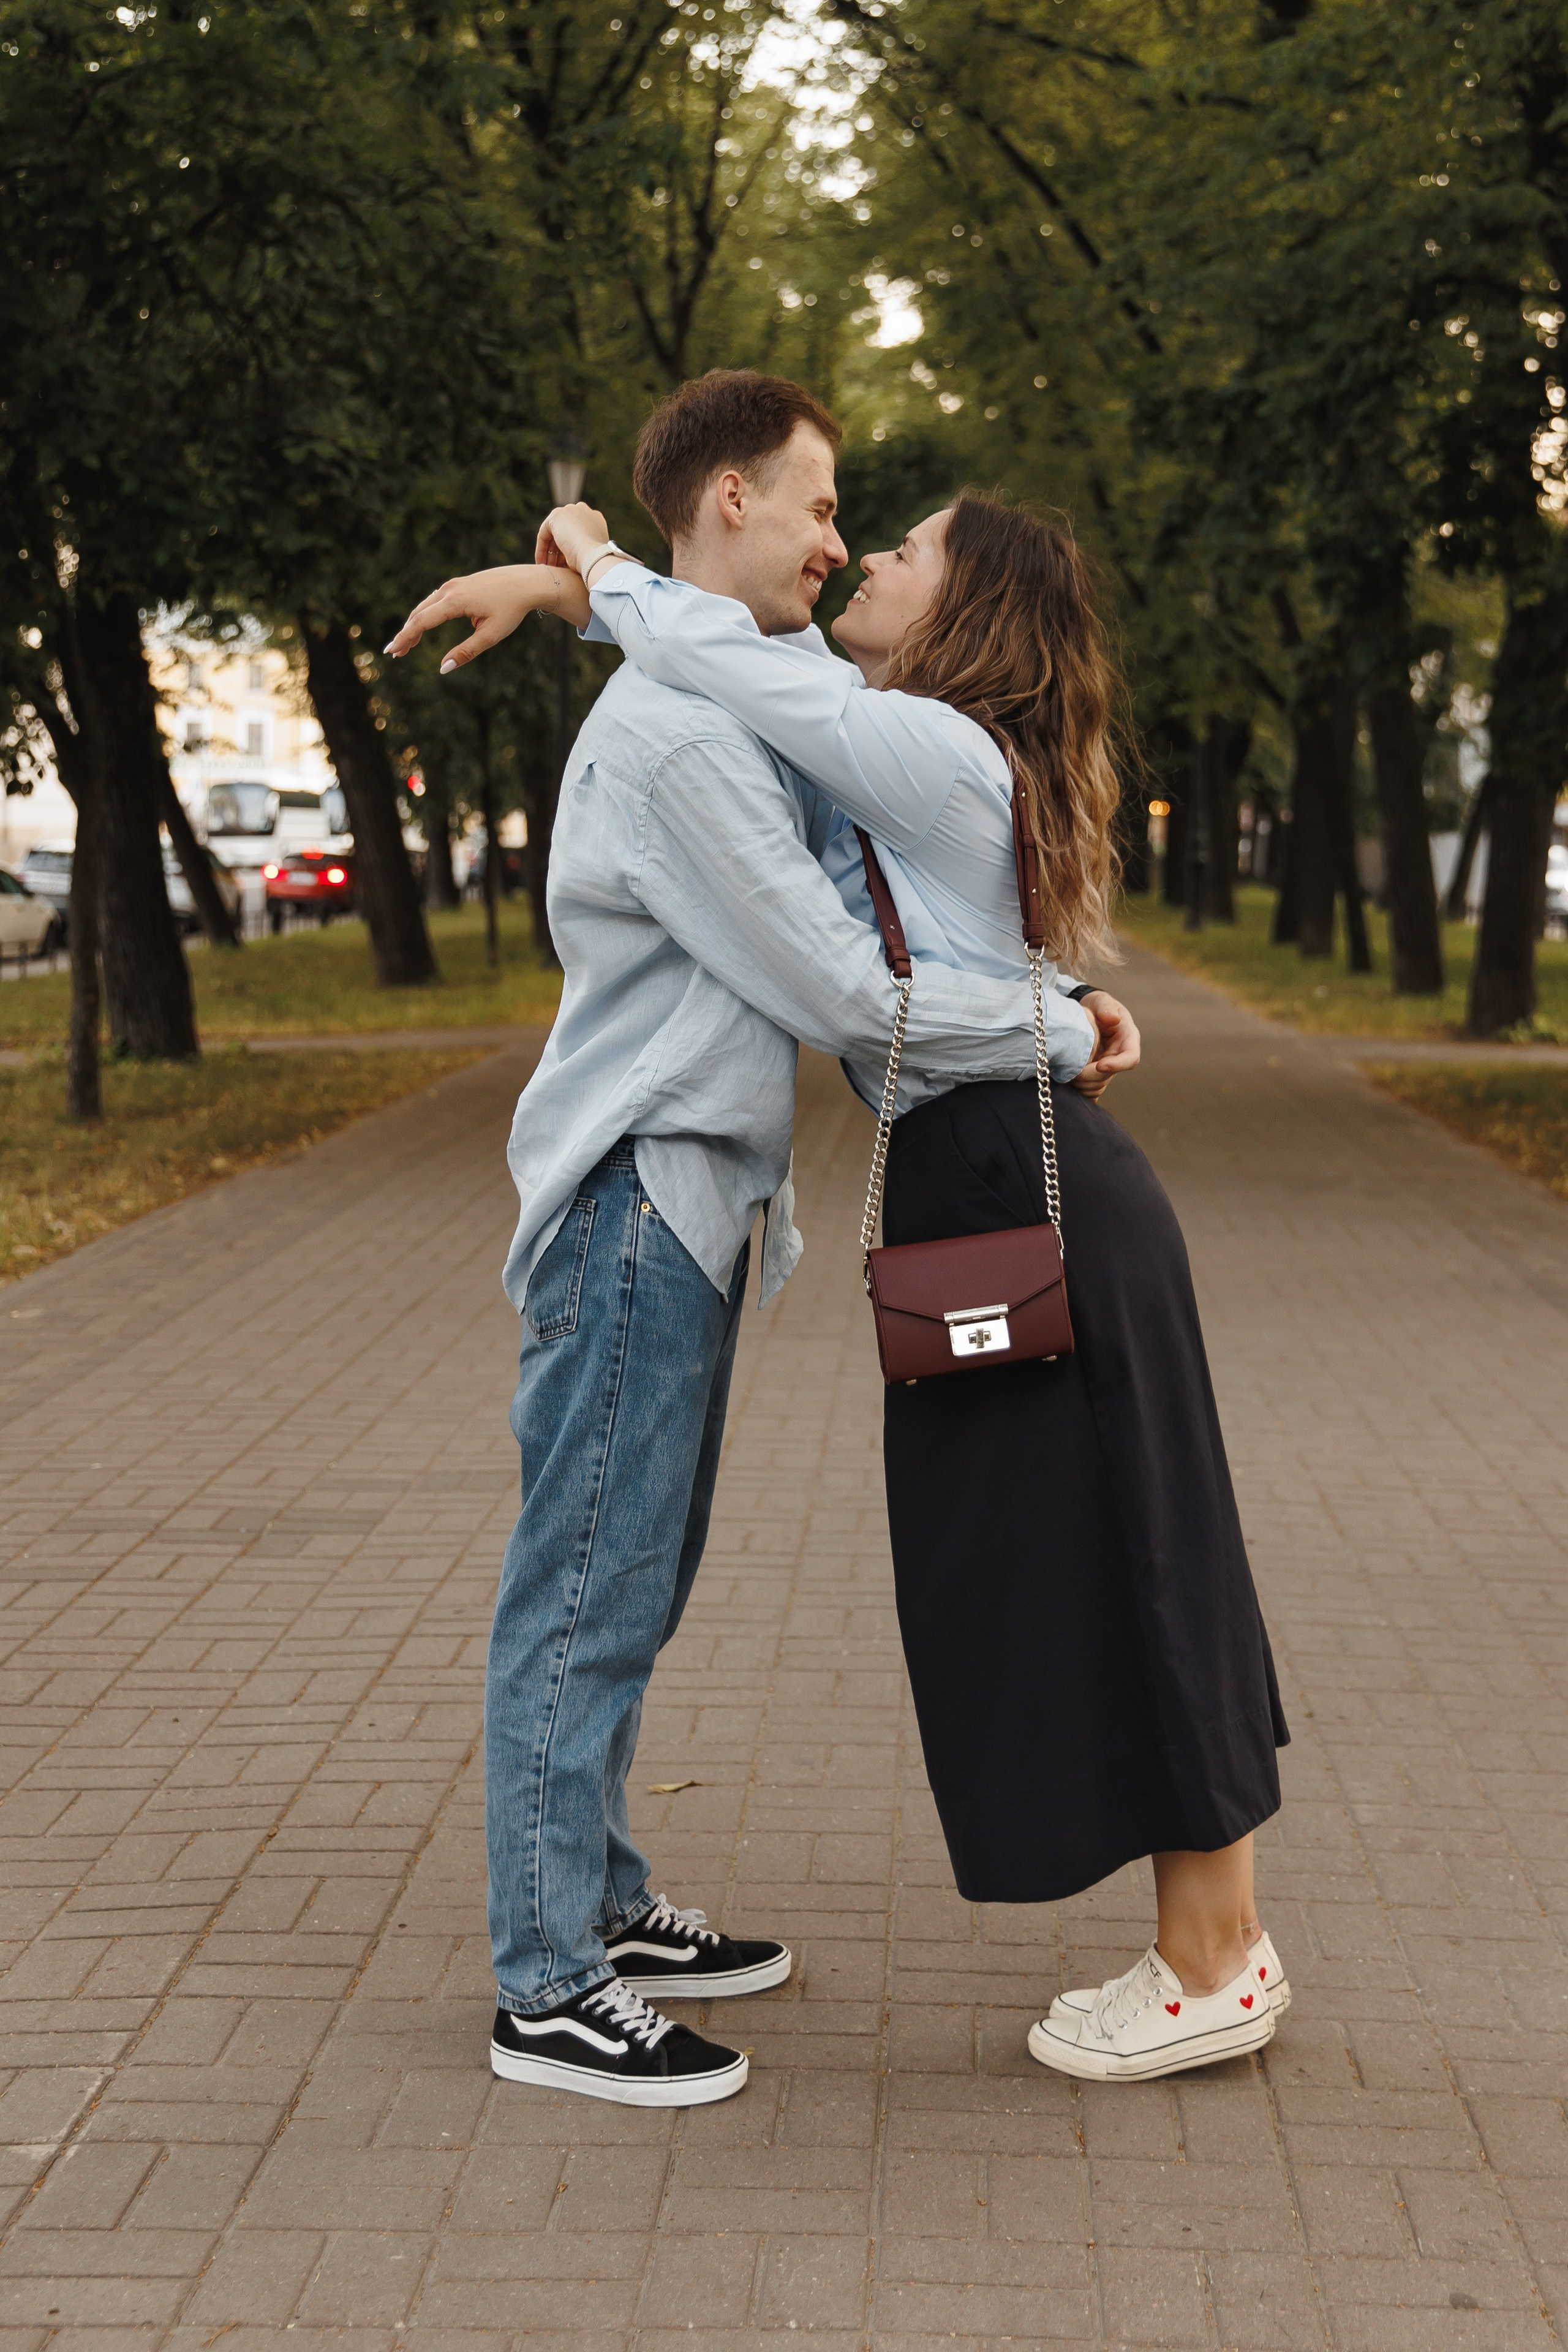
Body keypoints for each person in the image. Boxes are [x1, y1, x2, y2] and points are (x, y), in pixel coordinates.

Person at [401, 472, 1291, 2087]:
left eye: (908, 548)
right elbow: (727, 668)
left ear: (967, 613)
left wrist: (585, 552)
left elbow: (730, 660)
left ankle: (1215, 1956)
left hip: (1030, 1185)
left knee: (1137, 1556)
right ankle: (1209, 1943)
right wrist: (562, 597)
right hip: (994, 1180)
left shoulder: (927, 746)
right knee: (1071, 1564)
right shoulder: (903, 744)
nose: (867, 551)